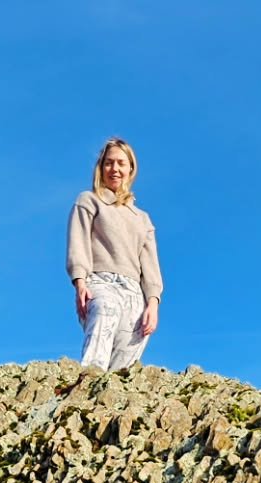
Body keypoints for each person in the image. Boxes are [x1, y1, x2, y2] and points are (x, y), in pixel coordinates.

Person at [66, 137, 163, 370]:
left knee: (123, 368)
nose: (114, 169)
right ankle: (87, 384)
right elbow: (78, 242)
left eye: (121, 163)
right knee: (101, 329)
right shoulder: (89, 201)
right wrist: (80, 282)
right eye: (109, 163)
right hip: (101, 283)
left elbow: (150, 266)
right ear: (101, 168)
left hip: (134, 293)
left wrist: (153, 304)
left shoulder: (142, 219)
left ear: (131, 169)